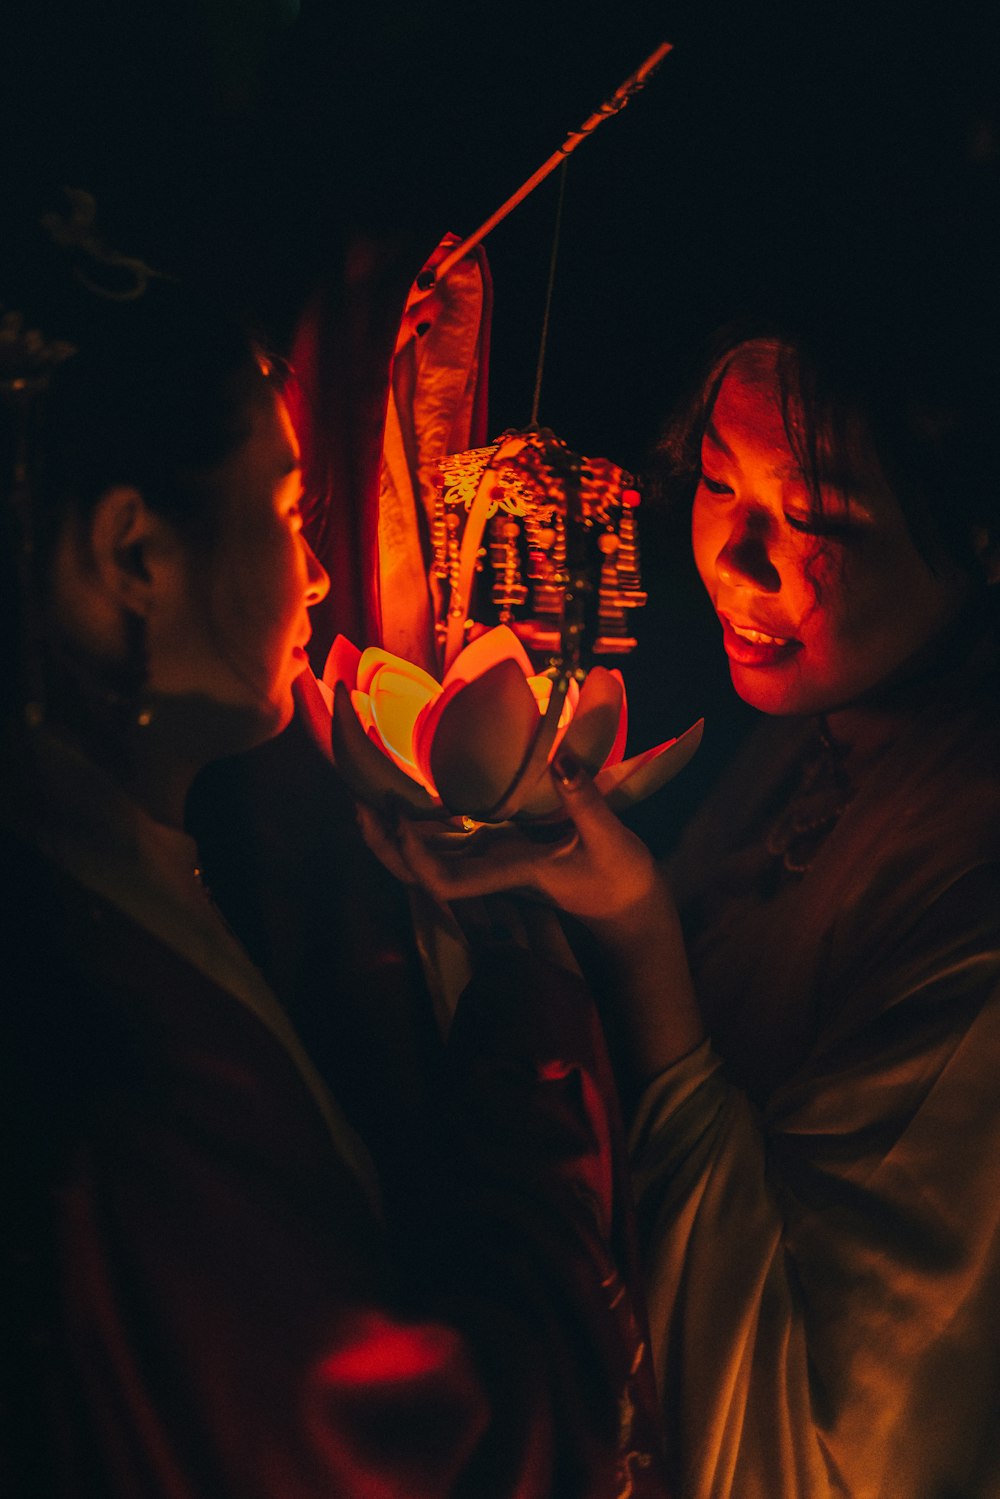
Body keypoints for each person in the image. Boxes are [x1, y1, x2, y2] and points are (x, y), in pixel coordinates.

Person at [0, 269, 669, 1497]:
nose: (316, 577)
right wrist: (537, 1024)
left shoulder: (116, 869)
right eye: (291, 510)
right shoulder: (108, 1070)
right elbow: (427, 1453)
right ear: (129, 555)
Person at [360, 295, 1000, 1497]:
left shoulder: (971, 891)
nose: (736, 559)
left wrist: (636, 944)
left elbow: (811, 1454)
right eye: (717, 481)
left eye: (812, 516)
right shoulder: (815, 731)